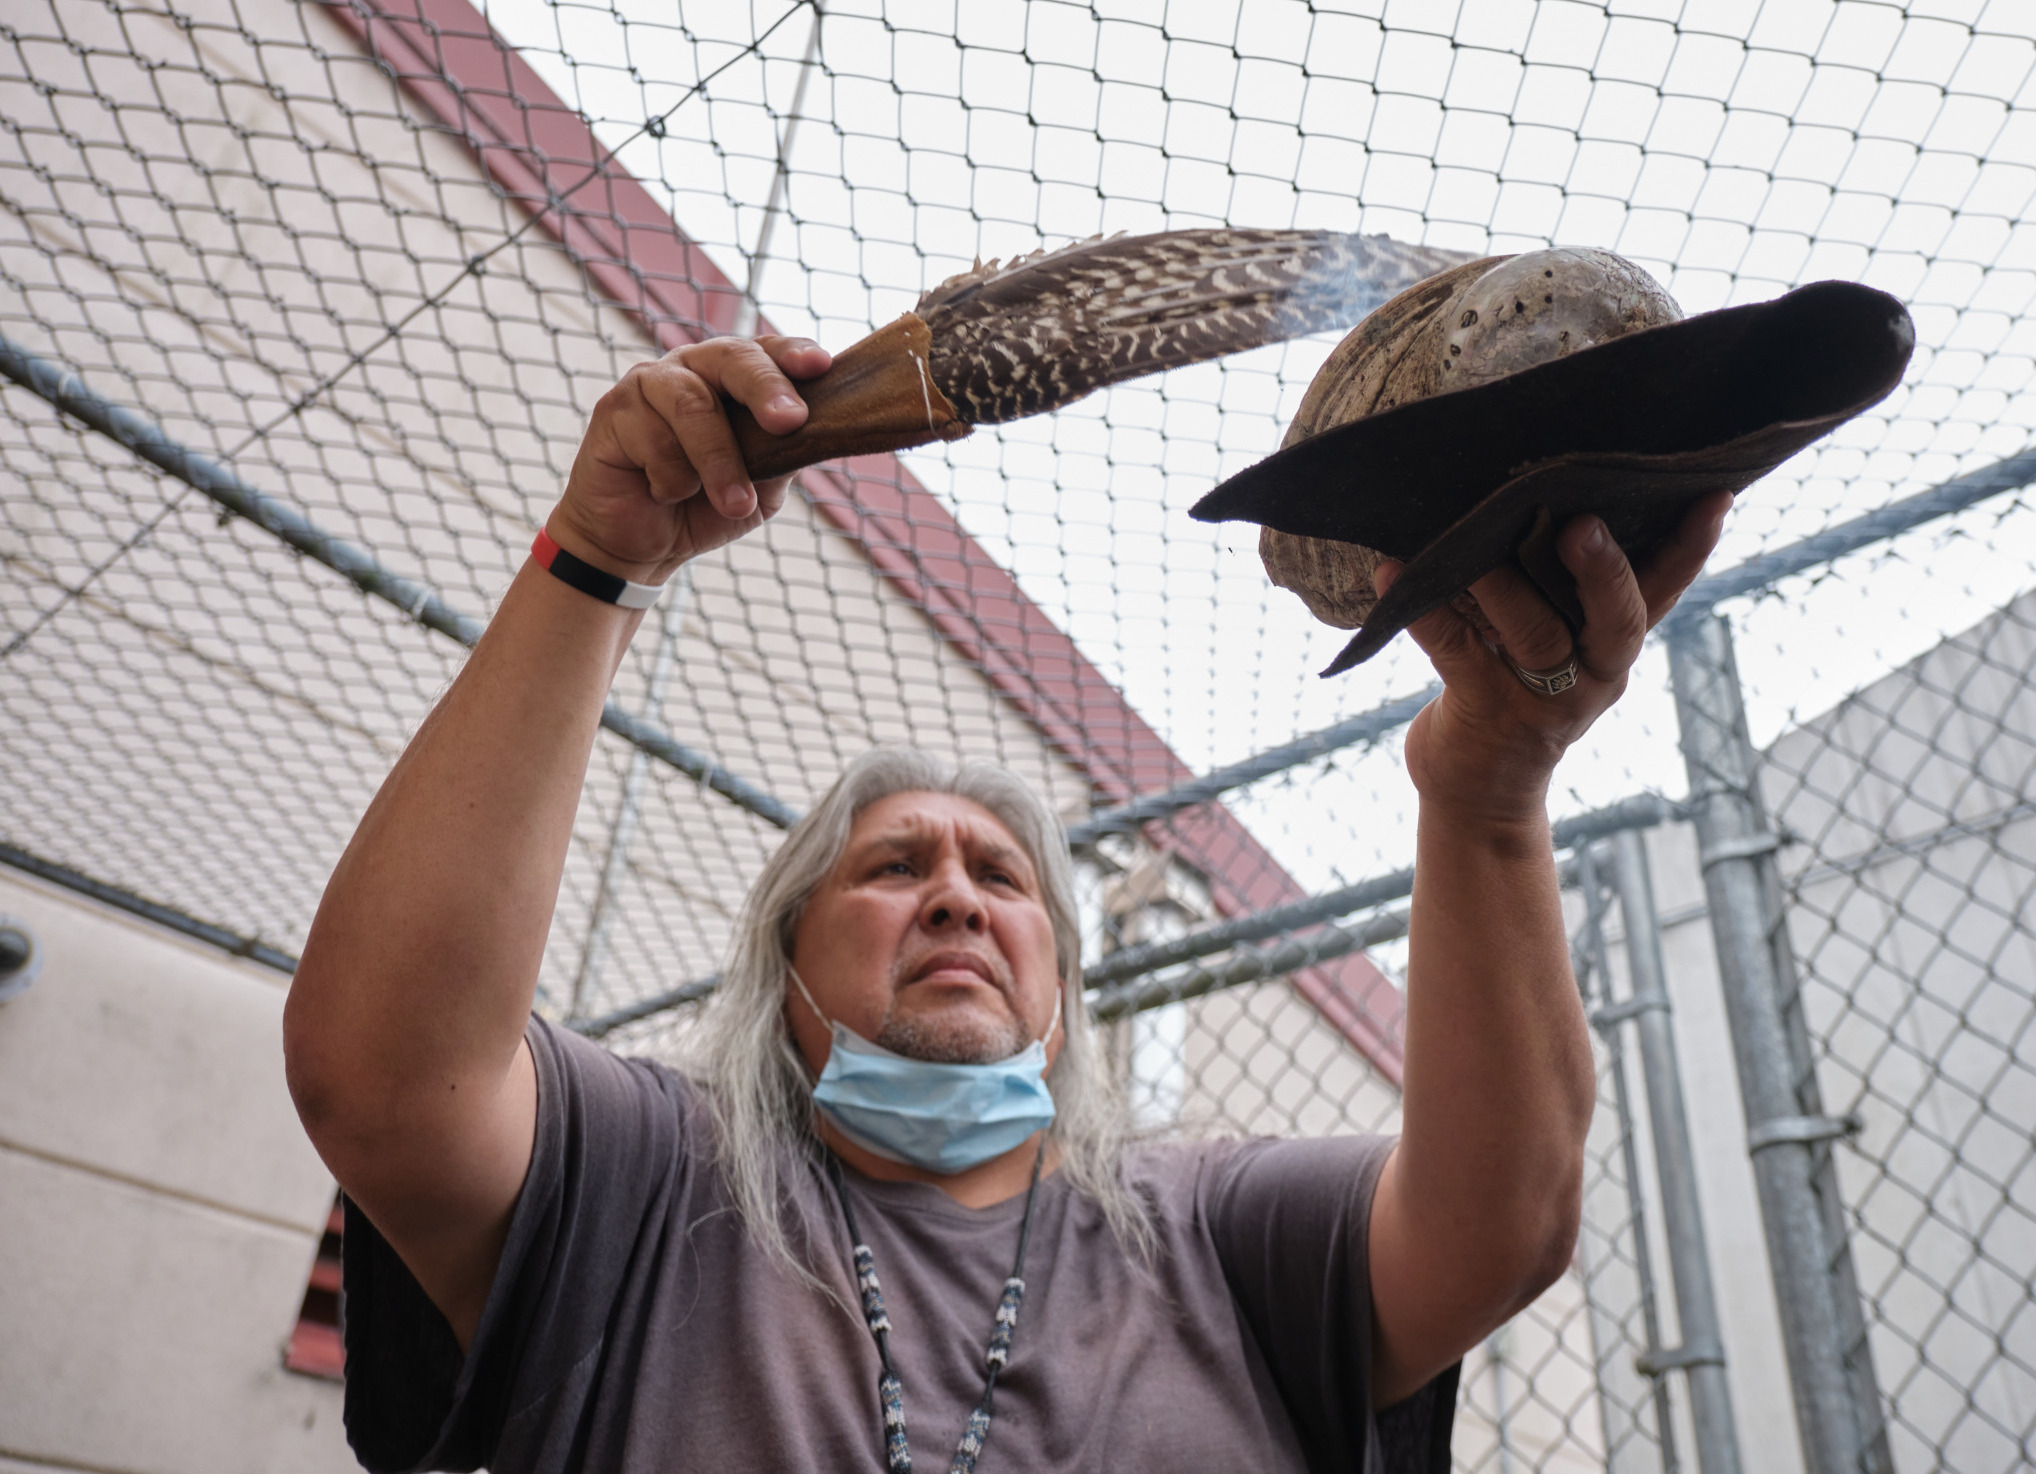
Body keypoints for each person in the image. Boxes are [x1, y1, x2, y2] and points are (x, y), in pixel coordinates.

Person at [284, 333, 1729, 1473]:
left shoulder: (1213, 1230)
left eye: (1003, 878)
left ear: (1059, 991)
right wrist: (597, 562)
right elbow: (387, 1076)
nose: (959, 899)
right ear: (782, 964)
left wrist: (1484, 792)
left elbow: (1502, 1227)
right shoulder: (653, 1181)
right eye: (894, 863)